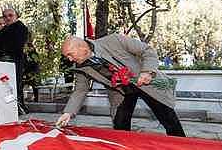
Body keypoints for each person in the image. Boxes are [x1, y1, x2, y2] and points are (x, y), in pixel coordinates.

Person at [55, 34, 186, 137]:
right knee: (120, 124)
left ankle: (182, 147)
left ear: (82, 48)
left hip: (145, 82)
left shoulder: (114, 40)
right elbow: (80, 90)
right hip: (121, 92)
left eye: (70, 55)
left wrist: (147, 71)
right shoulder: (80, 68)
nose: (70, 60)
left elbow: (147, 50)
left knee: (168, 118)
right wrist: (68, 113)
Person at [0, 8, 29, 112]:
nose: (8, 18)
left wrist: (0, 52)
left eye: (10, 15)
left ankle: (19, 108)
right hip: (4, 62)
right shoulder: (5, 29)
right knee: (6, 86)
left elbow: (17, 45)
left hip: (14, 61)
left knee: (15, 85)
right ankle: (10, 108)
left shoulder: (20, 27)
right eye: (5, 16)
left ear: (16, 16)